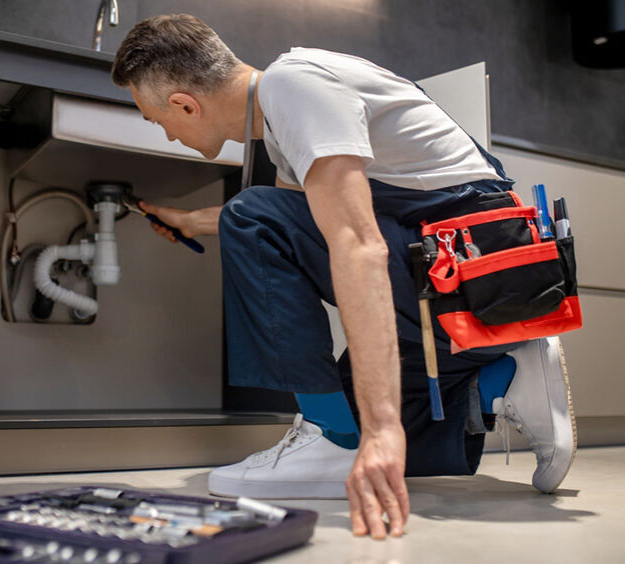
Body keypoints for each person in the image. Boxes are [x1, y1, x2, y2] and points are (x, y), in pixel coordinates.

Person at [111, 14, 576, 539]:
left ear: (184, 104)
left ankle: (328, 438)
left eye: (158, 121)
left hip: (471, 278)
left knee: (357, 431)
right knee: (366, 419)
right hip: (474, 285)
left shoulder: (295, 85)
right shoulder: (287, 114)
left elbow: (356, 244)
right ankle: (502, 378)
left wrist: (379, 431)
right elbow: (304, 222)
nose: (169, 136)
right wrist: (189, 221)